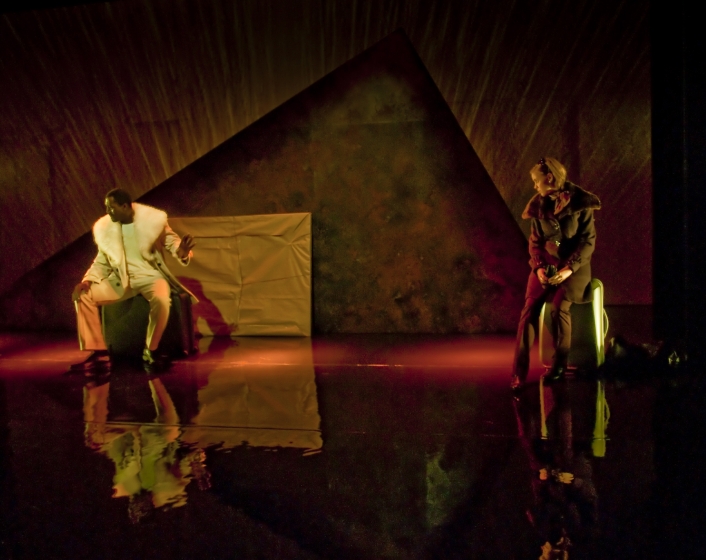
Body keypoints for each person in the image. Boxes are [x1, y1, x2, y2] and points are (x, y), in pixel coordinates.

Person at [71, 189, 197, 373]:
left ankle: (151, 350)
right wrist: (87, 281)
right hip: (121, 281)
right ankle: (98, 352)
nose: (108, 212)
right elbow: (101, 262)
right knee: (83, 296)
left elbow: (173, 243)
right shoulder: (106, 229)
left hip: (151, 277)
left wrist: (182, 252)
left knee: (162, 300)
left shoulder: (153, 222)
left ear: (124, 206)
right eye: (106, 208)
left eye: (111, 207)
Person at [511, 158, 601, 390]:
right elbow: (535, 243)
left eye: (536, 180)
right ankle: (519, 373)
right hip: (547, 263)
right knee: (529, 311)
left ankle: (559, 365)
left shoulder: (581, 202)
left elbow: (587, 242)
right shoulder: (538, 205)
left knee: (558, 309)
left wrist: (569, 269)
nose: (534, 186)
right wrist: (539, 267)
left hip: (574, 267)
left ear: (549, 178)